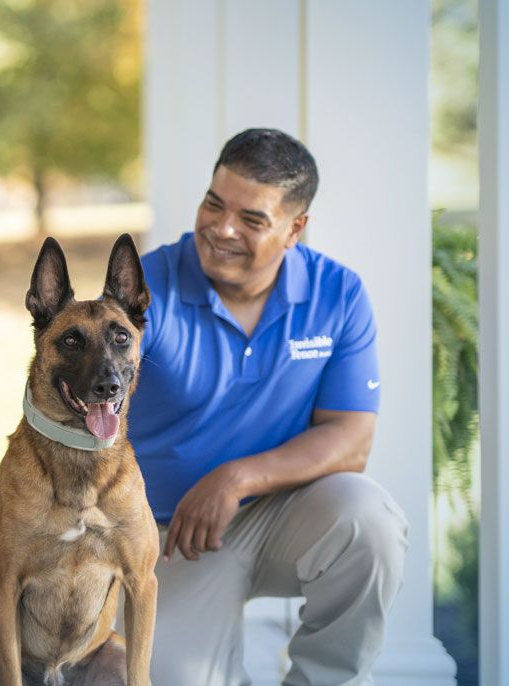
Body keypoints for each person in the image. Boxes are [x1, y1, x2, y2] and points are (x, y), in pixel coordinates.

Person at [128, 128, 408, 685]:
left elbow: (352, 439)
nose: (222, 229)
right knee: (168, 677)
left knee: (369, 518)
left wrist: (236, 478)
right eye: (214, 204)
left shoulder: (338, 293)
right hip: (167, 533)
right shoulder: (145, 288)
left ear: (294, 228)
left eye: (251, 219)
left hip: (281, 516)